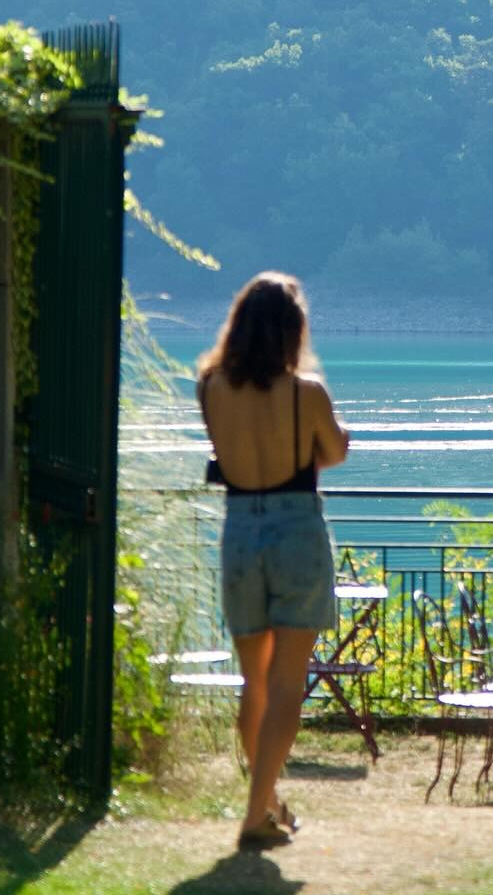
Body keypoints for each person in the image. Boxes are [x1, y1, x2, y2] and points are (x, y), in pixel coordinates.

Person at [196, 272, 349, 850]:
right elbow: (331, 452)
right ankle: (254, 815)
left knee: (252, 680)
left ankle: (265, 806)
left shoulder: (209, 386)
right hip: (295, 528)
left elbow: (225, 454)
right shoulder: (305, 392)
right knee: (288, 682)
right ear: (292, 330)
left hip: (239, 530)